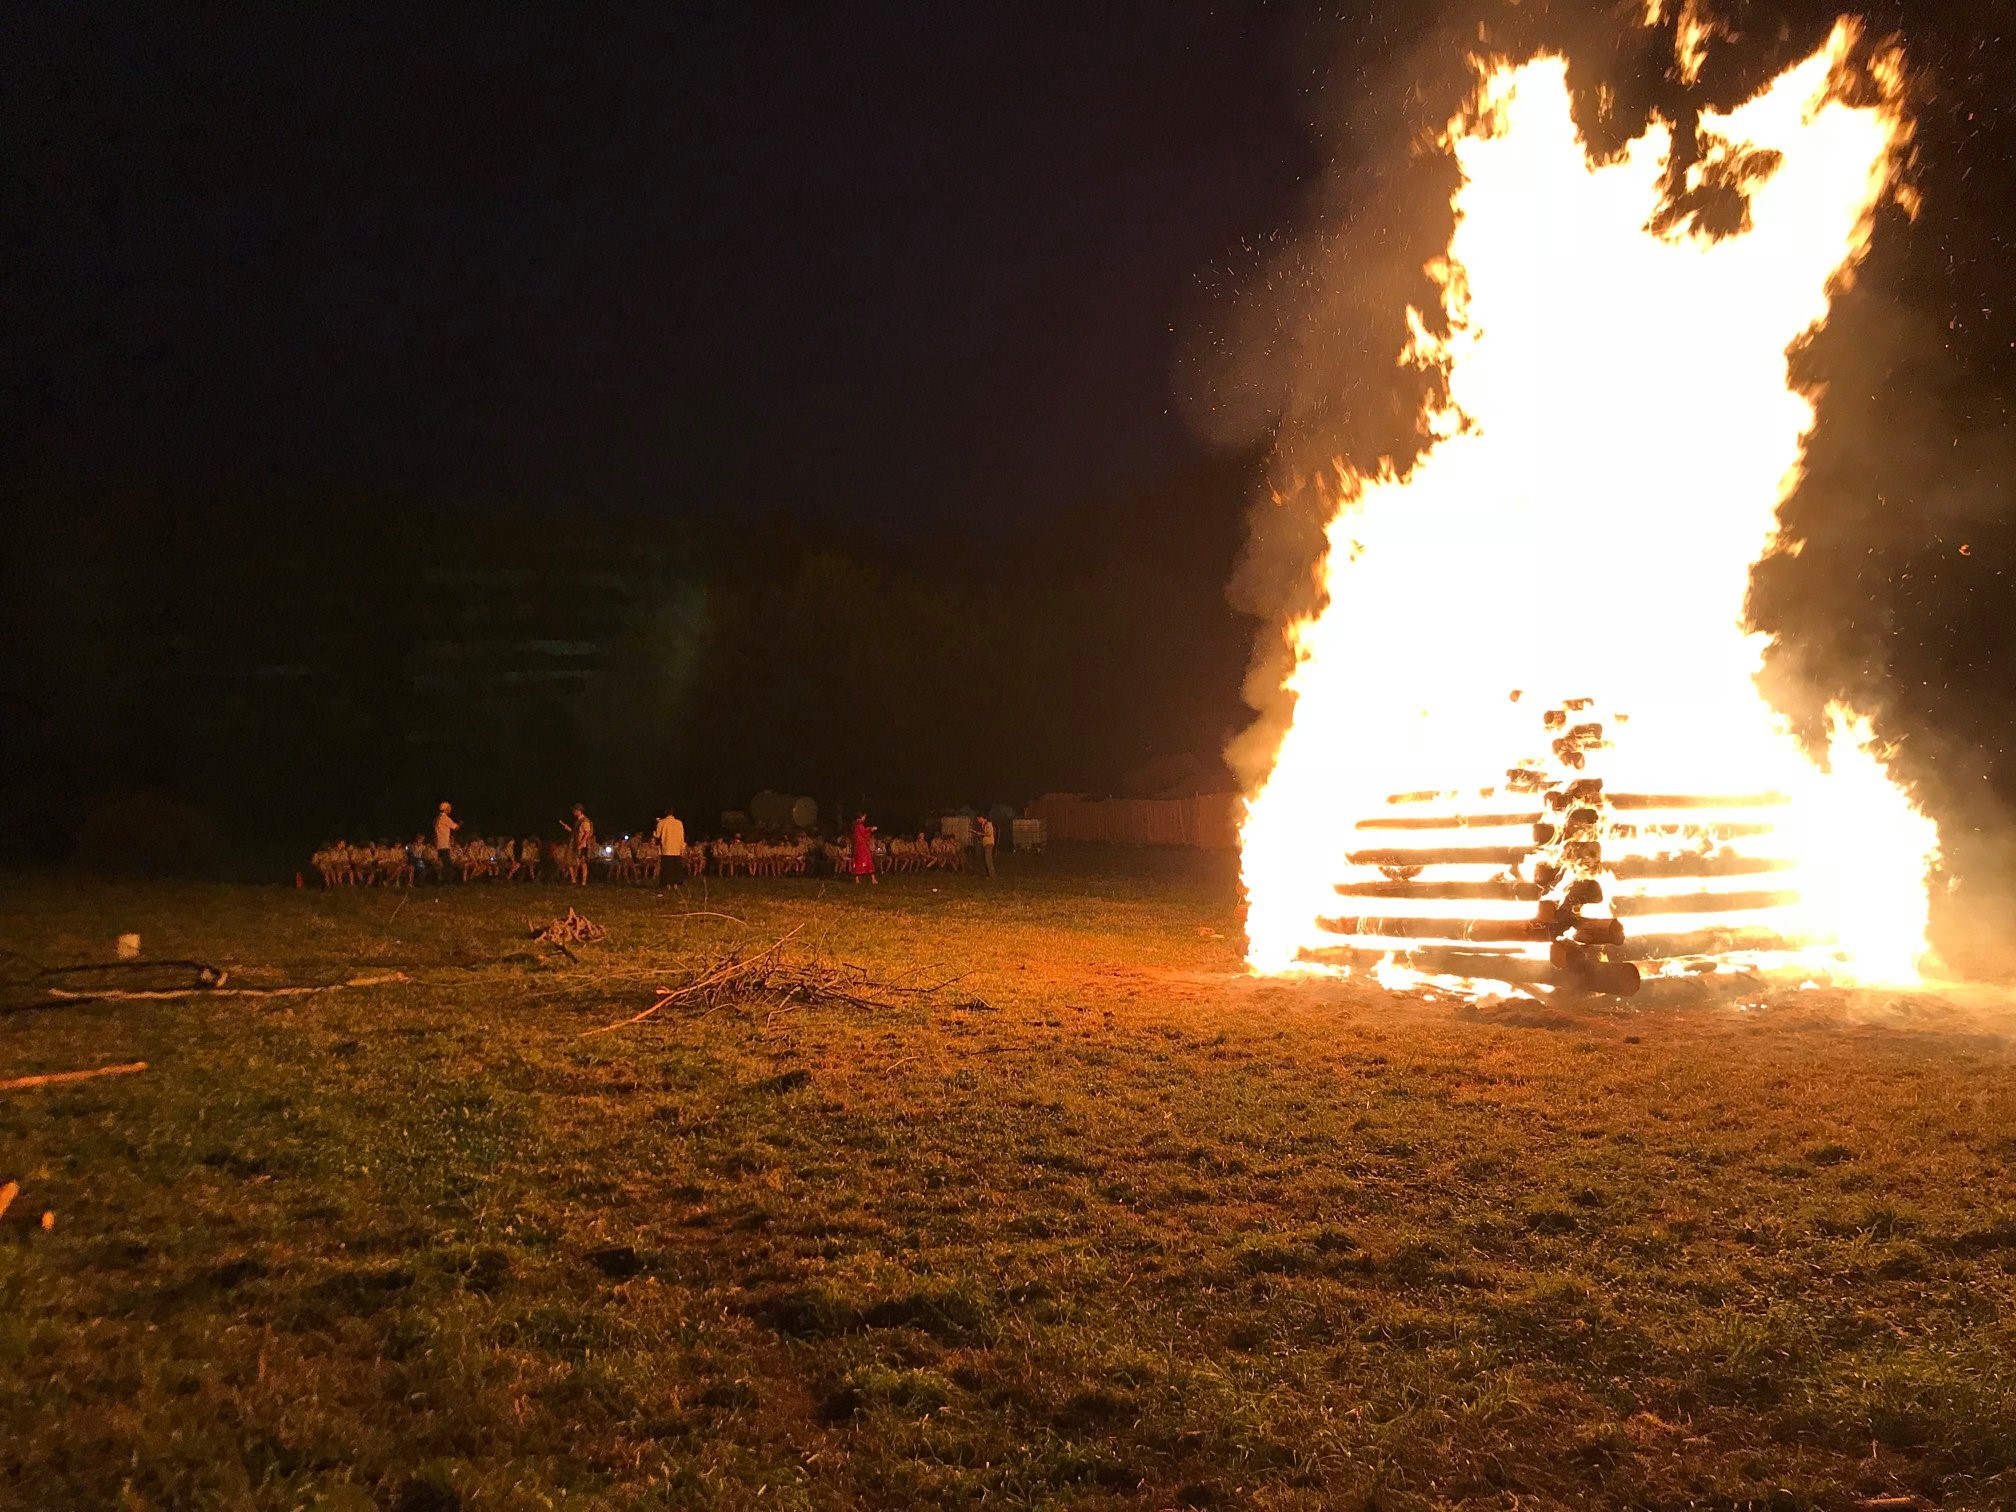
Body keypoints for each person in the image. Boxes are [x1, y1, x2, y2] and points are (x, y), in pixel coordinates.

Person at [564, 804, 595, 886]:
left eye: (574, 811)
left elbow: (587, 833)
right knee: (571, 861)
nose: (573, 812)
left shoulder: (585, 820)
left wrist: (582, 843)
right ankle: (573, 880)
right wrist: (569, 829)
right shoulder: (578, 821)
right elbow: (576, 834)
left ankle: (583, 882)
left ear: (579, 811)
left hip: (581, 844)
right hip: (575, 843)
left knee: (582, 862)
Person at [654, 808, 686, 886]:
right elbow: (682, 837)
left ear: (665, 812)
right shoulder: (679, 823)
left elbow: (657, 835)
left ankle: (667, 884)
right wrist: (682, 848)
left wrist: (654, 832)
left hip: (666, 848)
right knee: (676, 868)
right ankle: (676, 884)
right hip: (676, 849)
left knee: (667, 868)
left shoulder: (661, 822)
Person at [432, 802, 460, 883]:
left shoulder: (437, 818)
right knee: (447, 865)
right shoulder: (445, 818)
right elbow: (455, 827)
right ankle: (447, 882)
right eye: (449, 808)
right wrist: (460, 824)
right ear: (446, 809)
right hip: (444, 844)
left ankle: (441, 880)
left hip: (439, 844)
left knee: (442, 864)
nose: (450, 809)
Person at [850, 813, 878, 885]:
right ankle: (873, 879)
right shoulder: (859, 825)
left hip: (857, 845)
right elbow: (864, 833)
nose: (865, 818)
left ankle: (857, 879)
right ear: (861, 817)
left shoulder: (854, 825)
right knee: (868, 859)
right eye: (864, 816)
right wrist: (871, 829)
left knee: (858, 860)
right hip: (862, 846)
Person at [974, 812, 997, 877]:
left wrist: (980, 834)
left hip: (989, 843)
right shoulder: (984, 825)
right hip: (986, 843)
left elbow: (989, 833)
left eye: (978, 819)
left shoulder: (988, 824)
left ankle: (992, 874)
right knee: (986, 859)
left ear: (982, 818)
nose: (978, 820)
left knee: (988, 859)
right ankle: (989, 873)